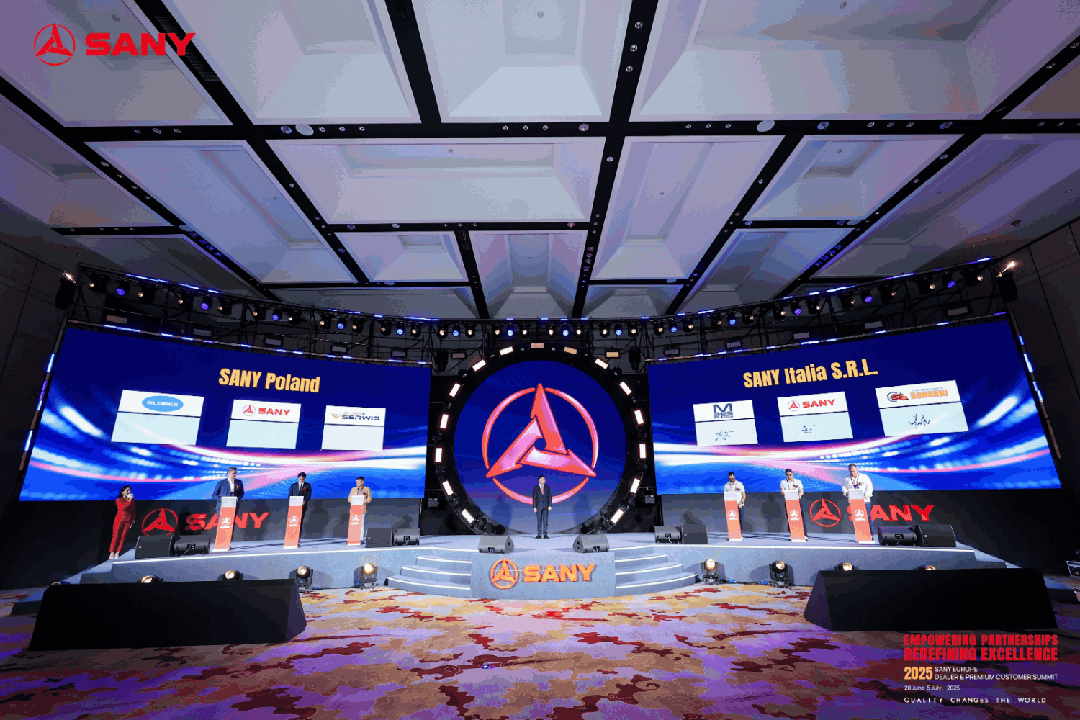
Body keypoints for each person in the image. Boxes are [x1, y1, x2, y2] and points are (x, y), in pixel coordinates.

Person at [109, 486, 135, 560]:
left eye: (130, 490)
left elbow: (133, 510)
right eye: (127, 490)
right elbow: (123, 507)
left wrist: (133, 518)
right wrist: (129, 500)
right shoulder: (119, 500)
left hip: (128, 520)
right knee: (116, 536)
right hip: (119, 520)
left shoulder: (132, 500)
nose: (129, 492)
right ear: (122, 492)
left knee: (123, 537)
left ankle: (117, 553)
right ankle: (112, 552)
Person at [348, 476, 372, 544]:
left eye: (358, 482)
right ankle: (353, 538)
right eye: (356, 482)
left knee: (361, 523)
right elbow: (349, 499)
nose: (357, 483)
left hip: (362, 508)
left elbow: (369, 499)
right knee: (353, 523)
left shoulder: (367, 489)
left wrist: (362, 501)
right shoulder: (353, 489)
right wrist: (354, 501)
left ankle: (361, 539)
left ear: (362, 482)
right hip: (354, 508)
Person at [289, 472, 313, 537]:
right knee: (292, 521)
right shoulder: (293, 485)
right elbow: (290, 495)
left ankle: (298, 537)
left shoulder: (307, 485)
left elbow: (309, 495)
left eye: (303, 479)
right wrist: (291, 501)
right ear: (298, 478)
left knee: (300, 521)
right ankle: (291, 536)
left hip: (302, 506)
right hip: (293, 506)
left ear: (305, 478)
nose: (301, 480)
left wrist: (305, 501)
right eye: (300, 479)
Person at [532, 474, 553, 539]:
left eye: (544, 479)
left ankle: (545, 534)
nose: (544, 480)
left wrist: (550, 505)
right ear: (539, 480)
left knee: (545, 521)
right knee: (539, 521)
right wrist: (534, 507)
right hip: (538, 507)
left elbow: (550, 497)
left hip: (546, 507)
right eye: (543, 479)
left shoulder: (547, 487)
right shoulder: (535, 488)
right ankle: (539, 534)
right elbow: (534, 498)